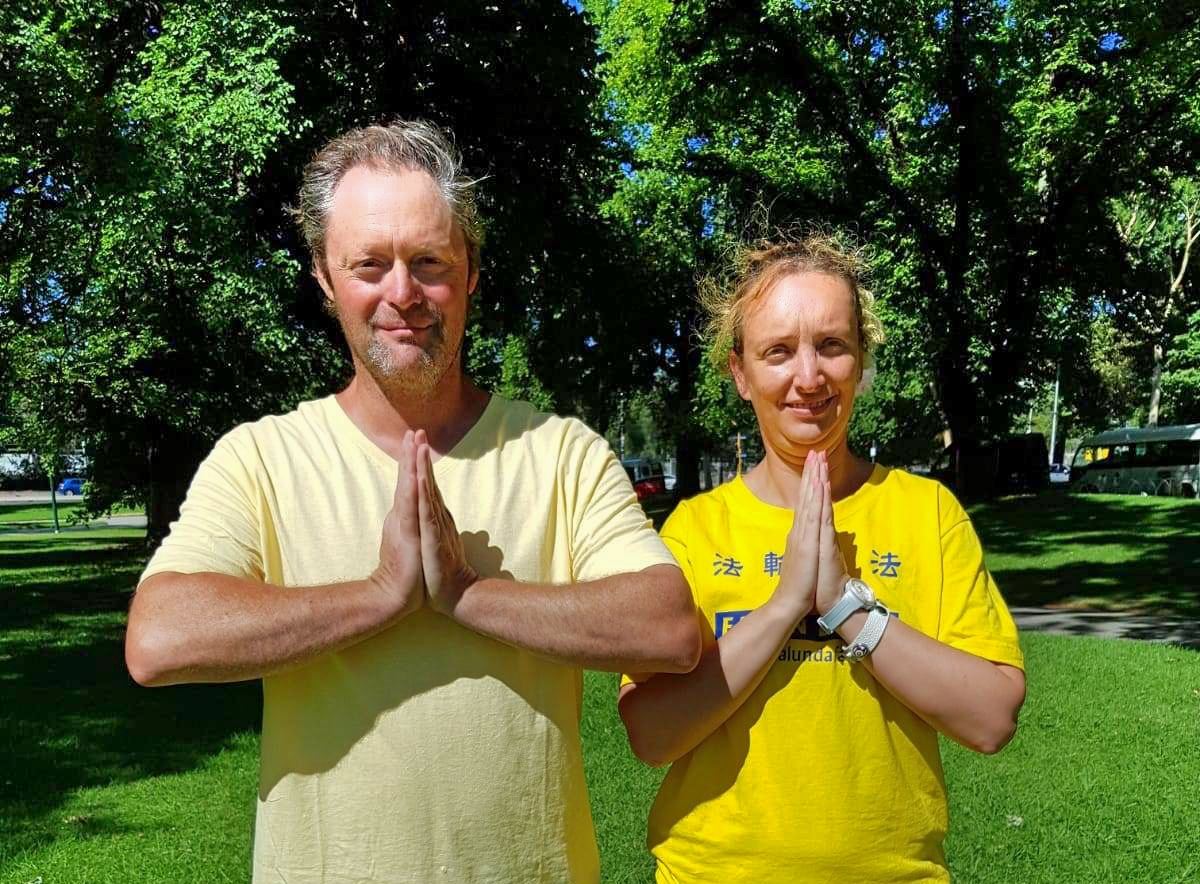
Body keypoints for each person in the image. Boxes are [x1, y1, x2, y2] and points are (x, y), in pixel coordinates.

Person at [124, 120, 701, 884]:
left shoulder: (561, 453)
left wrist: (464, 593)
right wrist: (379, 596)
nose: (402, 293)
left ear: (472, 273)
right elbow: (159, 639)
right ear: (325, 277)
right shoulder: (262, 457)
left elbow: (668, 629)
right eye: (369, 264)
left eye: (429, 262)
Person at [618, 232, 1026, 884]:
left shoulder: (928, 512)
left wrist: (846, 608)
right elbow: (652, 733)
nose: (808, 378)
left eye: (832, 345)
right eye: (778, 351)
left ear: (861, 361)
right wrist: (785, 605)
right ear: (740, 373)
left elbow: (992, 717)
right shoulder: (694, 530)